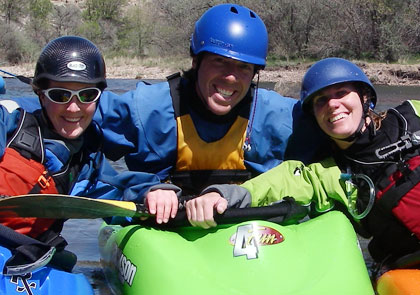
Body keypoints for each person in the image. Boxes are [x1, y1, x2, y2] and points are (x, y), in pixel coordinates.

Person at [94, 3, 323, 224]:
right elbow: (76, 126)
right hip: (162, 228)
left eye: (243, 66)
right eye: (219, 61)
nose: (231, 76)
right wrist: (142, 188)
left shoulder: (279, 117)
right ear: (196, 61)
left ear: (255, 73)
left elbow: (330, 157)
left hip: (243, 232)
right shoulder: (147, 108)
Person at [185, 57, 420, 269]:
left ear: (364, 96)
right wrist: (220, 195)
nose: (332, 104)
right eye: (321, 101)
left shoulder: (412, 114)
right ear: (314, 117)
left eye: (341, 93)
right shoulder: (325, 174)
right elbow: (272, 184)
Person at [0, 36, 160, 273]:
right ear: (41, 95)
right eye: (60, 95)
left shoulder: (87, 163)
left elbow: (123, 191)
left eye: (86, 95)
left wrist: (156, 194)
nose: (74, 108)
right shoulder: (10, 120)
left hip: (29, 257)